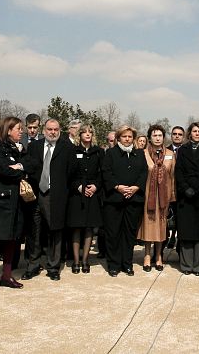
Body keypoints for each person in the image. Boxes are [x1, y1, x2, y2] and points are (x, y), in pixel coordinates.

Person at [23, 119, 77, 281]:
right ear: (44, 130)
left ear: (60, 130)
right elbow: (29, 166)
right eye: (49, 129)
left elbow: (72, 172)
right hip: (35, 195)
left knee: (55, 232)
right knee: (34, 231)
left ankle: (53, 267)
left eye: (56, 129)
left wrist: (60, 187)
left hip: (56, 195)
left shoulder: (67, 148)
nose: (52, 132)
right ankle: (32, 265)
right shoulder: (34, 146)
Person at [0, 116, 27, 291]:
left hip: (15, 201)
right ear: (9, 130)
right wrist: (18, 170)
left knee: (12, 238)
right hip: (0, 201)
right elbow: (4, 171)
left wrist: (20, 167)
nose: (21, 131)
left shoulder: (15, 149)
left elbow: (27, 164)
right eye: (18, 129)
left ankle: (7, 276)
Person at [102, 125, 147, 276]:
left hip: (133, 199)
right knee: (113, 233)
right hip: (114, 199)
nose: (127, 139)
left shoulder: (139, 154)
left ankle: (127, 264)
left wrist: (135, 187)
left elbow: (143, 173)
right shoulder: (111, 153)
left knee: (129, 234)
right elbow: (106, 172)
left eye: (130, 137)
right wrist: (117, 187)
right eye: (124, 136)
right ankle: (114, 264)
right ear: (118, 138)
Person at [175, 122, 199, 276]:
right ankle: (186, 265)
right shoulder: (183, 150)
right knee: (186, 231)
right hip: (186, 195)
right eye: (194, 131)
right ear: (189, 133)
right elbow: (179, 171)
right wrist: (186, 188)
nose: (196, 134)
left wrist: (197, 188)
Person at [137, 125, 175, 272]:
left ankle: (158, 255)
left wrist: (172, 196)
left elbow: (173, 177)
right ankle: (147, 255)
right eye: (154, 135)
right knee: (148, 226)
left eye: (160, 135)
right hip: (148, 196)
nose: (157, 138)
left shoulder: (171, 154)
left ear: (163, 137)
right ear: (149, 137)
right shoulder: (143, 153)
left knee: (161, 227)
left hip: (164, 198)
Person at [67, 124, 103, 274]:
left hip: (93, 193)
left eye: (90, 132)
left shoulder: (99, 151)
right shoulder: (73, 151)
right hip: (77, 194)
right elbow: (68, 174)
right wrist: (79, 187)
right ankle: (76, 261)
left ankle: (85, 260)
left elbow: (103, 173)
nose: (87, 134)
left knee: (89, 228)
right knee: (77, 227)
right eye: (84, 132)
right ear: (79, 135)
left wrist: (95, 186)